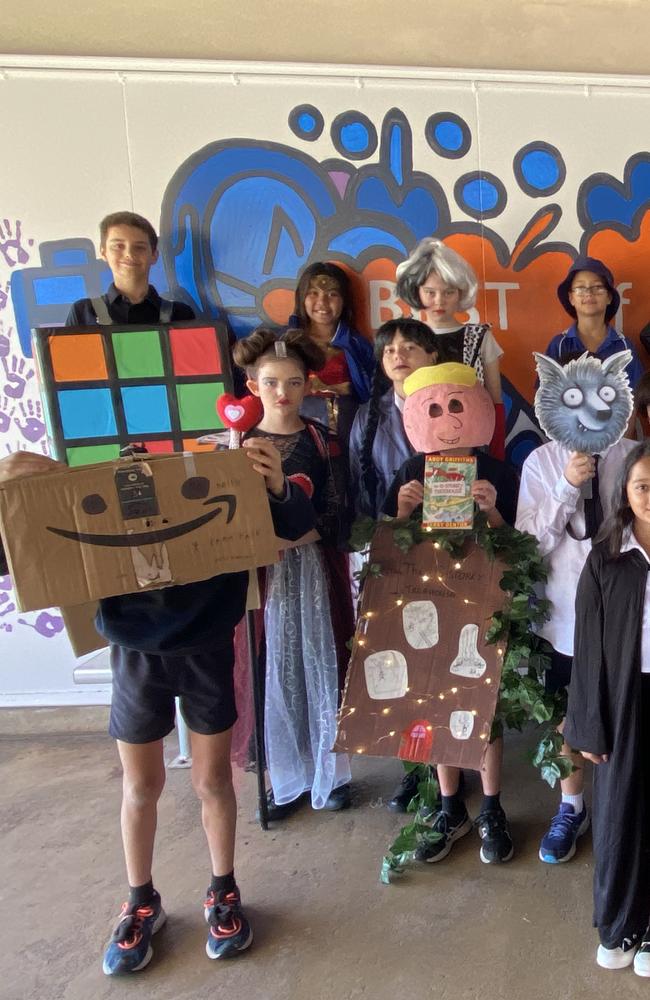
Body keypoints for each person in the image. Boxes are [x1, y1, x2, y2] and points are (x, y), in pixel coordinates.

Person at [5, 212, 320, 976]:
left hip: (207, 630)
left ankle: (222, 887)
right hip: (134, 640)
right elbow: (30, 519)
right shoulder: (94, 470)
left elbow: (291, 522)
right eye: (116, 248)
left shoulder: (221, 459)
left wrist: (276, 484)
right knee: (141, 786)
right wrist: (29, 475)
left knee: (213, 779)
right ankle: (138, 896)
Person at [383, 363, 518, 863]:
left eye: (456, 405)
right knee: (434, 703)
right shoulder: (410, 472)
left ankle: (491, 807)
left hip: (483, 602)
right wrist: (400, 511)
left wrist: (494, 513)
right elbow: (388, 550)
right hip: (425, 604)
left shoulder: (499, 472)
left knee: (485, 707)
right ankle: (448, 805)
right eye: (434, 409)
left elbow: (521, 551)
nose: (447, 419)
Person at [232, 328, 353, 818]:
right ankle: (283, 773)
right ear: (252, 384)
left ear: (307, 385)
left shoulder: (323, 442)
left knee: (322, 664)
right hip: (262, 578)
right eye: (271, 382)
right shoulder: (236, 445)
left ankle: (332, 771)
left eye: (293, 382)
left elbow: (339, 513)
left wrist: (291, 537)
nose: (282, 392)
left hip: (312, 568)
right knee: (272, 669)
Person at [516, 373, 635, 865]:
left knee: (625, 716)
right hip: (562, 618)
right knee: (563, 720)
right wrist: (567, 485)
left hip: (624, 618)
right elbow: (529, 547)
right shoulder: (540, 461)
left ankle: (623, 811)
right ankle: (571, 806)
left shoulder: (633, 455)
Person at [564, 441, 650, 974]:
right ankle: (620, 922)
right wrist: (588, 725)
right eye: (643, 486)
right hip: (625, 698)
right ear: (626, 491)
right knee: (619, 811)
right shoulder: (608, 558)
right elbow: (587, 645)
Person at [395, 237, 505, 457]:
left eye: (448, 292)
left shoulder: (480, 337)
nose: (439, 301)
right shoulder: (405, 340)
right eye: (430, 292)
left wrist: (496, 452)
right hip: (421, 448)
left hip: (472, 447)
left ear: (461, 293)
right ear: (417, 291)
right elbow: (401, 398)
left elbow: (494, 400)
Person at [349, 318, 438, 520]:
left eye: (409, 347)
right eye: (389, 350)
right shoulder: (367, 415)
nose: (398, 355)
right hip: (389, 530)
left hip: (448, 533)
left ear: (432, 356)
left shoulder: (456, 407)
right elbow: (356, 480)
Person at [66, 211, 196, 327]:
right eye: (118, 246)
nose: (129, 254)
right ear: (104, 253)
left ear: (154, 255)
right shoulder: (82, 313)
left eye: (139, 247)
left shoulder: (181, 314)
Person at [545, 256, 644, 389]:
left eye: (597, 287)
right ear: (571, 298)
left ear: (609, 297)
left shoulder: (624, 346)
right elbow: (544, 398)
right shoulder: (559, 346)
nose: (589, 293)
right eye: (580, 288)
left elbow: (636, 398)